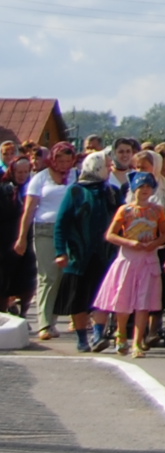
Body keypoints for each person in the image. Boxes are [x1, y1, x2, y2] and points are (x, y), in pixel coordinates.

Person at [55, 152, 124, 352]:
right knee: (78, 298)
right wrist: (61, 251)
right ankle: (81, 338)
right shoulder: (75, 191)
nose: (110, 168)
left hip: (105, 254)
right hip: (79, 254)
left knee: (102, 295)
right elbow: (62, 223)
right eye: (107, 165)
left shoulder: (111, 191)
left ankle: (97, 335)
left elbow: (121, 220)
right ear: (96, 167)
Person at [97, 172, 165, 357]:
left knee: (143, 302)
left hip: (148, 259)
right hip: (128, 259)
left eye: (148, 187)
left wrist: (154, 243)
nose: (145, 190)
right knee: (123, 297)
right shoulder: (125, 210)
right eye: (142, 187)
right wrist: (130, 243)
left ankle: (138, 341)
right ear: (134, 189)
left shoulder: (158, 211)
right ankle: (121, 335)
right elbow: (110, 235)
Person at [16, 143, 75, 342]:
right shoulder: (40, 178)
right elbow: (29, 209)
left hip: (69, 230)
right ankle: (44, 323)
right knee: (47, 276)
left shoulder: (74, 176)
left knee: (62, 277)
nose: (64, 164)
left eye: (68, 161)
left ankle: (53, 320)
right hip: (45, 229)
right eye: (60, 160)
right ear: (53, 158)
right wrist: (22, 237)